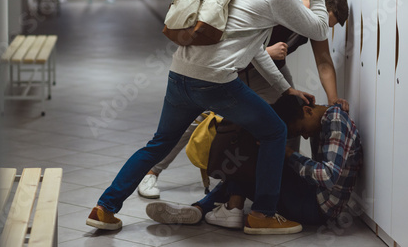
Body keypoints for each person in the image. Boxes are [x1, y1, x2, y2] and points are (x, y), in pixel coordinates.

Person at [86, 0, 329, 233]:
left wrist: (286, 89)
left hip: (180, 75)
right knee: (275, 131)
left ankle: (105, 207)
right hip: (216, 82)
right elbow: (320, 28)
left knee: (159, 143)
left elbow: (257, 52)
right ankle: (263, 214)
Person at [137, 0, 350, 199]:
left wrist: (333, 102)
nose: (321, 29)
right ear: (315, 4)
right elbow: (233, 38)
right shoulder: (282, 4)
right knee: (197, 116)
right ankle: (152, 171)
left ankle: (278, 183)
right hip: (234, 64)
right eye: (324, 21)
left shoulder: (316, 23)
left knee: (290, 115)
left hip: (270, 70)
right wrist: (266, 52)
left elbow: (323, 61)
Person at [146, 95, 363, 233]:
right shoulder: (324, 120)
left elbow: (327, 176)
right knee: (255, 157)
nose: (305, 137)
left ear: (308, 111)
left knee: (255, 157)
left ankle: (215, 208)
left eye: (301, 130)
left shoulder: (334, 119)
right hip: (312, 198)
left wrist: (288, 154)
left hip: (318, 208)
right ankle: (206, 209)